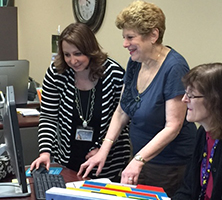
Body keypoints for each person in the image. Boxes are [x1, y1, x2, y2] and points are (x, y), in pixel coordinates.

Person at [78, 1, 197, 197]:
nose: (125, 44)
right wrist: (103, 151)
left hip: (170, 164)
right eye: (124, 37)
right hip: (142, 158)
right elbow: (122, 109)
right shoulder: (136, 61)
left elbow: (173, 126)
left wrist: (138, 160)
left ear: (153, 35)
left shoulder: (175, 68)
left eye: (130, 37)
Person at [30, 22, 131, 182]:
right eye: (67, 54)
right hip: (67, 160)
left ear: (90, 50)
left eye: (78, 53)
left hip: (108, 163)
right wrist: (45, 152)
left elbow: (124, 120)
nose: (73, 60)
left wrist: (103, 147)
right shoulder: (57, 73)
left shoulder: (114, 75)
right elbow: (48, 117)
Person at [172, 63, 222, 200]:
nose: (184, 99)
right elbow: (188, 188)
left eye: (191, 95)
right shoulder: (203, 132)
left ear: (216, 100)